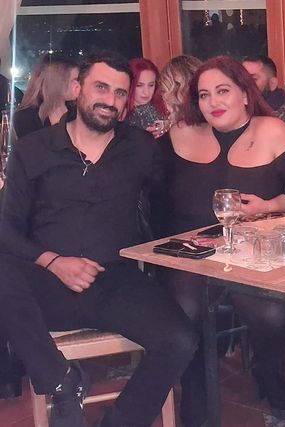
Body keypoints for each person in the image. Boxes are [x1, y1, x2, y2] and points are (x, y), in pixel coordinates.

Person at [0, 51, 198, 427]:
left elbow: (170, 202)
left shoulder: (141, 148)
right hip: (46, 284)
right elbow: (6, 230)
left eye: (120, 93)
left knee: (180, 339)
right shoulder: (33, 150)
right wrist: (54, 262)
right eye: (101, 88)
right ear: (77, 89)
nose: (110, 100)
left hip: (115, 280)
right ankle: (62, 382)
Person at [152, 55, 285, 423]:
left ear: (245, 93)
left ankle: (267, 374)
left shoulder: (274, 131)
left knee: (272, 317)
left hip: (252, 252)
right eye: (204, 94)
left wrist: (268, 205)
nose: (214, 102)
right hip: (190, 256)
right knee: (184, 312)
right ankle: (196, 394)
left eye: (223, 91)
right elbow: (153, 200)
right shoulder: (178, 136)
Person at [12, 54, 79, 139]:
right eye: (74, 80)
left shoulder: (75, 111)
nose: (79, 85)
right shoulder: (26, 117)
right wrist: (58, 127)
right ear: (58, 82)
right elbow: (33, 146)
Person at [126, 57, 168, 135]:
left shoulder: (164, 105)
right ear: (129, 84)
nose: (146, 92)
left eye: (151, 85)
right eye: (139, 85)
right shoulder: (121, 115)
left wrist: (168, 125)